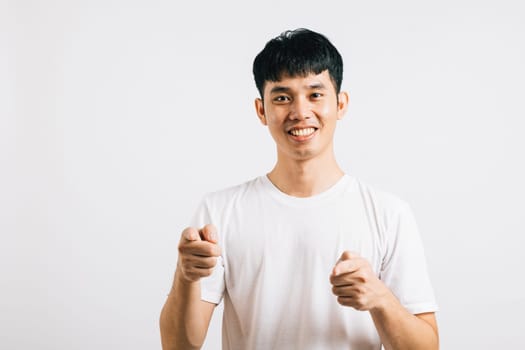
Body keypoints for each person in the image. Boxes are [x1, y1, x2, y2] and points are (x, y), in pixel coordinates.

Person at [160, 28, 439, 350]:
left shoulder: (389, 213)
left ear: (341, 104)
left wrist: (381, 299)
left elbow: (427, 346)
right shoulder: (219, 211)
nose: (300, 112)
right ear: (261, 110)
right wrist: (186, 276)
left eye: (315, 94)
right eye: (282, 97)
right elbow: (178, 345)